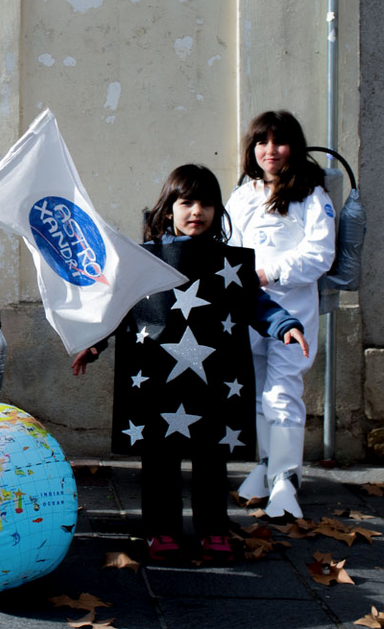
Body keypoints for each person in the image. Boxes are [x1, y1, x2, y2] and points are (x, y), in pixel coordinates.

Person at [72, 164, 309, 563]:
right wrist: (93, 344)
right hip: (157, 382)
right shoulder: (144, 261)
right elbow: (118, 307)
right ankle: (160, 531)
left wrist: (284, 325)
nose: (196, 210)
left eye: (206, 203)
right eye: (186, 202)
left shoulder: (228, 263)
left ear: (217, 210)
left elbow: (256, 302)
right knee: (160, 460)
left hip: (214, 383)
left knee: (211, 460)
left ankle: (214, 529)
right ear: (169, 209)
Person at [226, 111, 336, 519]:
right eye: (261, 143)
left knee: (281, 393)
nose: (269, 151)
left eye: (279, 142)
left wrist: (268, 272)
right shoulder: (243, 195)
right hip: (251, 311)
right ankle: (266, 466)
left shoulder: (310, 196)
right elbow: (230, 246)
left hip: (291, 311)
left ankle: (286, 479)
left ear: (294, 146)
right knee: (257, 394)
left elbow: (320, 254)